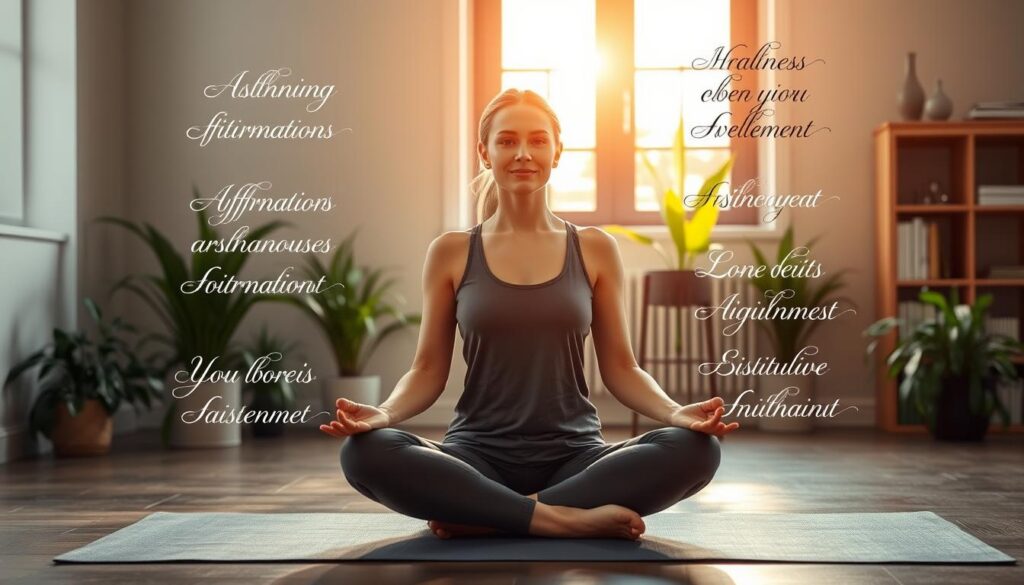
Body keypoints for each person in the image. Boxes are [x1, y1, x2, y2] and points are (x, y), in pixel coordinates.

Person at [320, 88, 739, 541]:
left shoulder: (594, 248)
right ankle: (561, 519)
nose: (523, 153)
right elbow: (426, 371)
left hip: (575, 457)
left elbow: (622, 369)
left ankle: (490, 514)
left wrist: (676, 413)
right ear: (485, 152)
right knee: (363, 453)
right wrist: (383, 415)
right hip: (476, 456)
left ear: (557, 152)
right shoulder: (451, 251)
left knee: (697, 449)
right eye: (507, 141)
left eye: (538, 140)